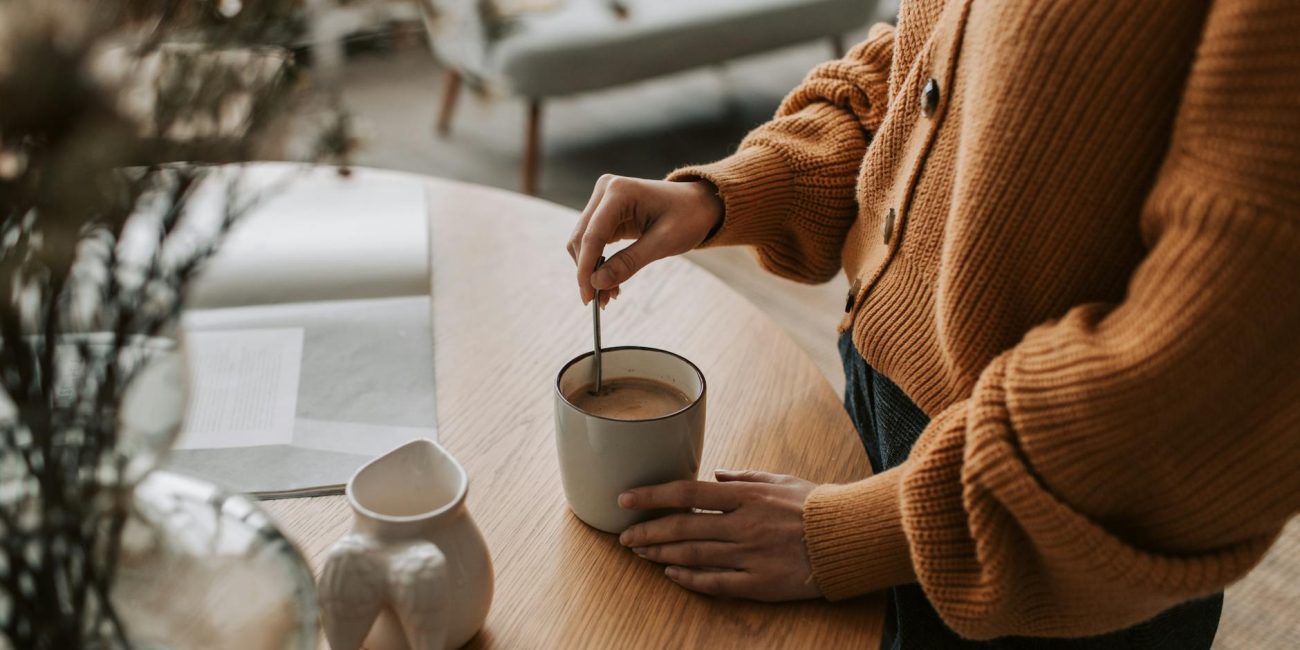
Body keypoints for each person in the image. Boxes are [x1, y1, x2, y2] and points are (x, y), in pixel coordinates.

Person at [565, 0, 1300, 648]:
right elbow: (929, 58)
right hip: (874, 412)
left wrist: (872, 532)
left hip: (1048, 532)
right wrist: (739, 189)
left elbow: (1221, 367)